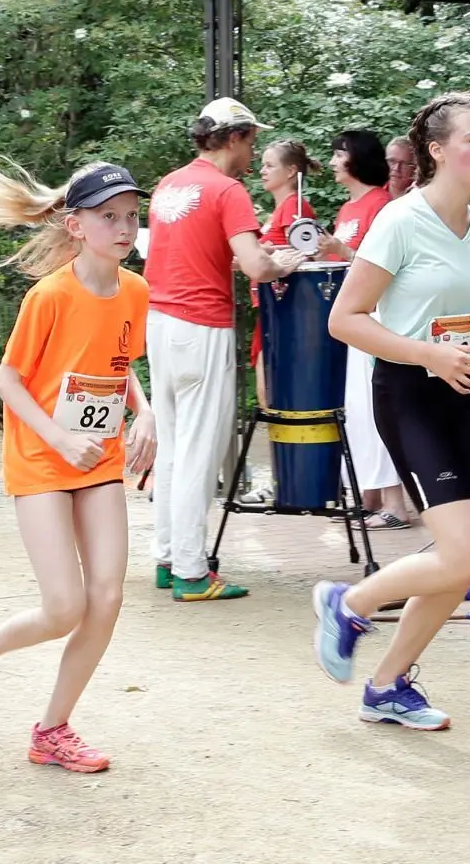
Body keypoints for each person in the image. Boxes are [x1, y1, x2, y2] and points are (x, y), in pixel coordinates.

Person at [314, 91, 470, 729]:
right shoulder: (399, 221)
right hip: (410, 395)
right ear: (436, 150)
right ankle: (349, 601)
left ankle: (387, 687)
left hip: (466, 393)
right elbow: (345, 320)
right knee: (464, 556)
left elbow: (469, 329)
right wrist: (429, 356)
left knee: (462, 566)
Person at [0, 160, 157, 773]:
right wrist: (59, 438)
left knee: (108, 597)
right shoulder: (50, 295)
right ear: (76, 225)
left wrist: (145, 413)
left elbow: (120, 365)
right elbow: (8, 381)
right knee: (64, 607)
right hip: (42, 455)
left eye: (131, 216)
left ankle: (52, 730)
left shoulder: (135, 291)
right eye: (108, 217)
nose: (123, 227)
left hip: (99, 457)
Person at [144, 98, 305, 601]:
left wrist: (251, 258)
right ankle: (193, 572)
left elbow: (200, 254)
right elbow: (257, 267)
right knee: (200, 450)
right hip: (202, 326)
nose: (253, 151)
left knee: (172, 447)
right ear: (233, 137)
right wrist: (287, 263)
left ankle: (169, 558)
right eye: (251, 140)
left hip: (159, 321)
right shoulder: (228, 190)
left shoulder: (170, 184)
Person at [319, 129, 412, 530]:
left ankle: (395, 504)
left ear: (356, 158)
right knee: (357, 411)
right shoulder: (348, 209)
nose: (333, 161)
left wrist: (341, 252)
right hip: (353, 320)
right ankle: (369, 497)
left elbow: (390, 266)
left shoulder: (382, 206)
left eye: (339, 154)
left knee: (377, 410)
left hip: (376, 320)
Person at [248, 139, 322, 471]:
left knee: (273, 390)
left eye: (269, 165)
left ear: (291, 171)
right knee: (266, 389)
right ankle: (283, 471)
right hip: (266, 308)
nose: (262, 171)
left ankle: (290, 470)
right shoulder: (280, 209)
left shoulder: (297, 209)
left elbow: (304, 255)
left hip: (282, 311)